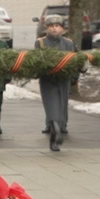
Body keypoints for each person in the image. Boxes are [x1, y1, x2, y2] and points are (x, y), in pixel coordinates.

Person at [34, 16, 76, 150]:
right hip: (48, 81)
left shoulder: (69, 43)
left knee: (61, 108)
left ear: (62, 29)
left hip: (63, 80)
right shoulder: (40, 43)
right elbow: (36, 60)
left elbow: (75, 60)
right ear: (47, 28)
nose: (54, 28)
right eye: (51, 26)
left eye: (57, 26)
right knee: (52, 108)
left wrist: (75, 75)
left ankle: (54, 138)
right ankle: (56, 132)